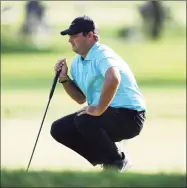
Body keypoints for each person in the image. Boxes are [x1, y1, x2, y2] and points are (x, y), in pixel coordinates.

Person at [50, 15, 146, 172]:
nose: (70, 40)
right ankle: (110, 161)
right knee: (59, 129)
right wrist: (64, 79)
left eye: (75, 35)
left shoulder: (101, 54)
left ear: (90, 36)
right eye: (69, 36)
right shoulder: (77, 62)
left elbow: (113, 77)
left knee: (85, 120)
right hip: (108, 115)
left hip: (130, 116)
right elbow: (80, 98)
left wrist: (98, 109)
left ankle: (117, 162)